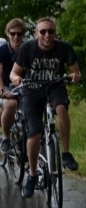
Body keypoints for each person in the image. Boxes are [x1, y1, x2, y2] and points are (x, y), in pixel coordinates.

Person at [10, 17, 81, 198]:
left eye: (51, 31)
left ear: (55, 33)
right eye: (43, 32)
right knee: (35, 131)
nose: (47, 35)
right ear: (36, 34)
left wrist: (74, 76)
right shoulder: (27, 48)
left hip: (55, 87)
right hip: (32, 91)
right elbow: (14, 72)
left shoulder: (64, 48)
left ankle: (65, 153)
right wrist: (16, 79)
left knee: (62, 110)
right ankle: (32, 174)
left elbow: (76, 71)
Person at [1, 19, 26, 153]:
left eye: (19, 34)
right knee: (10, 105)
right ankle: (6, 137)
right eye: (13, 33)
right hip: (6, 86)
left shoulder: (28, 48)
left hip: (25, 86)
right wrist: (3, 90)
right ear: (8, 34)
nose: (16, 37)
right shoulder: (3, 50)